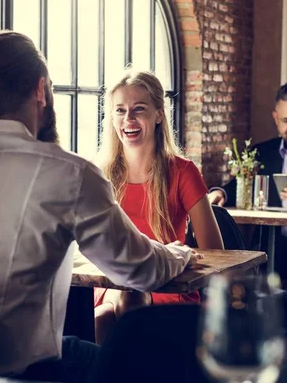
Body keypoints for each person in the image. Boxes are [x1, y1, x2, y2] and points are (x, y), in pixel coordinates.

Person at [0, 31, 202, 383]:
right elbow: (139, 270)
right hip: (24, 371)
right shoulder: (71, 172)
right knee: (135, 368)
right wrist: (178, 253)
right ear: (41, 89)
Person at [91, 70, 224, 344]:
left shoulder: (183, 171)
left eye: (139, 109)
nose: (128, 118)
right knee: (105, 311)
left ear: (159, 114)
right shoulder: (100, 172)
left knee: (123, 303)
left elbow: (216, 252)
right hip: (113, 284)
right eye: (120, 110)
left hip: (170, 283)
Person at [209, 82, 287, 288]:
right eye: (286, 120)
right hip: (274, 247)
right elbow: (237, 185)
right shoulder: (262, 153)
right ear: (276, 120)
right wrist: (219, 193)